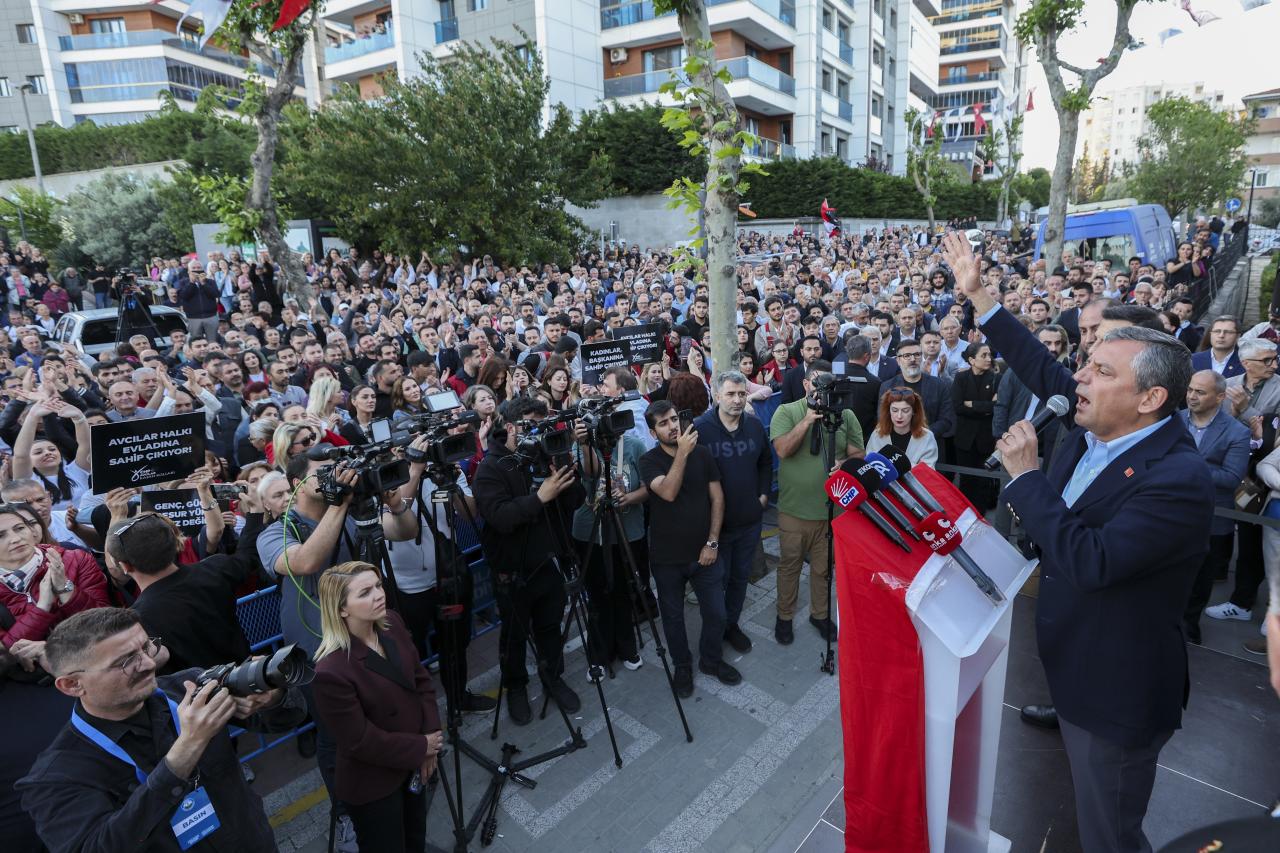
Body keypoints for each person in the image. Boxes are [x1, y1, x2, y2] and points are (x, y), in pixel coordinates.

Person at [945, 230, 1214, 853]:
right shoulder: (1102, 419)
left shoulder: (1177, 480)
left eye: (1098, 369)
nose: (1079, 378)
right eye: (1086, 362)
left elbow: (1093, 564)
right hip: (1075, 665)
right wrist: (979, 294)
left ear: (1150, 399)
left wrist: (1030, 480)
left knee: (1109, 830)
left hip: (1115, 690)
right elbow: (1038, 366)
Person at [17, 607, 305, 852]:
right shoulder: (54, 778)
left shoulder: (188, 688)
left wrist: (273, 698)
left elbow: (287, 719)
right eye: (126, 661)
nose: (148, 663)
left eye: (146, 647)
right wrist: (185, 751)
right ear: (72, 685)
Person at [255, 449, 420, 846]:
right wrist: (339, 504)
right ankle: (345, 811)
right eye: (323, 474)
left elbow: (404, 532)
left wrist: (394, 503)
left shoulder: (347, 512)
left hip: (370, 641)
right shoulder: (276, 531)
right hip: (320, 655)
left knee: (387, 717)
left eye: (336, 470)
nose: (335, 477)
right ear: (296, 485)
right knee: (337, 739)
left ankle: (398, 789)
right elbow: (305, 562)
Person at [312, 562, 443, 853]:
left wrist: (430, 736)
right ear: (342, 608)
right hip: (373, 785)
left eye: (378, 586)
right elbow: (360, 740)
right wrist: (420, 747)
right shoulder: (330, 671)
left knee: (415, 838)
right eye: (365, 592)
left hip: (413, 763)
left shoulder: (392, 623)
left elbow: (420, 681)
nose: (379, 595)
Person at [473, 395, 586, 725]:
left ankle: (553, 677)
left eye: (542, 425)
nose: (538, 432)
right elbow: (500, 517)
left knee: (550, 628)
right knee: (514, 634)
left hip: (550, 562)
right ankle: (517, 687)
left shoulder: (549, 452)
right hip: (512, 570)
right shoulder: (491, 467)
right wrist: (540, 497)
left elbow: (575, 501)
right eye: (530, 426)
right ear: (510, 427)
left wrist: (565, 477)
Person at [640, 400, 739, 697]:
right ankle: (682, 665)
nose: (672, 427)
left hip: (704, 554)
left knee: (717, 614)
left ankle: (710, 660)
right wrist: (682, 453)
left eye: (674, 419)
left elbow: (718, 499)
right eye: (663, 423)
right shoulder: (649, 461)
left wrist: (712, 542)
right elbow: (667, 492)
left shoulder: (703, 454)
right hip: (666, 559)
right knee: (672, 618)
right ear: (652, 431)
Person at [769, 362, 864, 645]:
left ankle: (820, 615)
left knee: (824, 569)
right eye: (816, 382)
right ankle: (784, 617)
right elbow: (783, 450)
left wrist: (845, 464)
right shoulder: (786, 411)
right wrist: (808, 420)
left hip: (832, 511)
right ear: (806, 384)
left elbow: (860, 453)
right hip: (794, 511)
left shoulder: (845, 415)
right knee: (789, 567)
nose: (821, 390)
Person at [106, 509, 267, 673]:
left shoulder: (137, 621)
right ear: (174, 543)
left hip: (202, 695)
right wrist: (255, 512)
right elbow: (248, 556)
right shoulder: (215, 569)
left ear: (125, 566)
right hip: (248, 674)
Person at [695, 370, 772, 654]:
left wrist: (763, 496)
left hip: (749, 523)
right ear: (716, 395)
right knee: (716, 586)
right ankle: (713, 637)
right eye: (730, 394)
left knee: (740, 579)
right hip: (716, 530)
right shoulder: (700, 429)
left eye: (741, 394)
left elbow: (765, 461)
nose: (737, 400)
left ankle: (731, 626)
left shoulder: (753, 425)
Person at [1178, 370, 1251, 645]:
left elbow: (1231, 478)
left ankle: (1188, 626)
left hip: (1210, 517)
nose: (1192, 396)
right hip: (1168, 509)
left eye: (1200, 392)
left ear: (1220, 397)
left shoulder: (1237, 432)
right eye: (1190, 390)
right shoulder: (1174, 419)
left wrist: (1186, 466)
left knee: (1199, 577)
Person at [0, 504, 108, 648]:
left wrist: (65, 589)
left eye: (19, 528)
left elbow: (106, 624)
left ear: (32, 530)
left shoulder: (76, 558)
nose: (15, 539)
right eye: (1, 535)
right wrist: (43, 607)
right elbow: (5, 654)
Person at [951, 342, 1000, 509]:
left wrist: (972, 404)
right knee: (966, 481)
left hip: (986, 439)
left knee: (984, 481)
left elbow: (996, 407)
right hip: (965, 439)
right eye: (984, 355)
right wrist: (984, 406)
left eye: (989, 355)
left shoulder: (995, 378)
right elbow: (958, 407)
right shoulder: (961, 378)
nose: (989, 359)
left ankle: (982, 513)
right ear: (972, 360)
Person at [865, 387, 939, 466]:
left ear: (914, 411)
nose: (899, 416)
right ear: (888, 411)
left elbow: (927, 470)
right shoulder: (877, 435)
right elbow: (871, 465)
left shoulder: (927, 437)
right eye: (894, 410)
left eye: (905, 410)